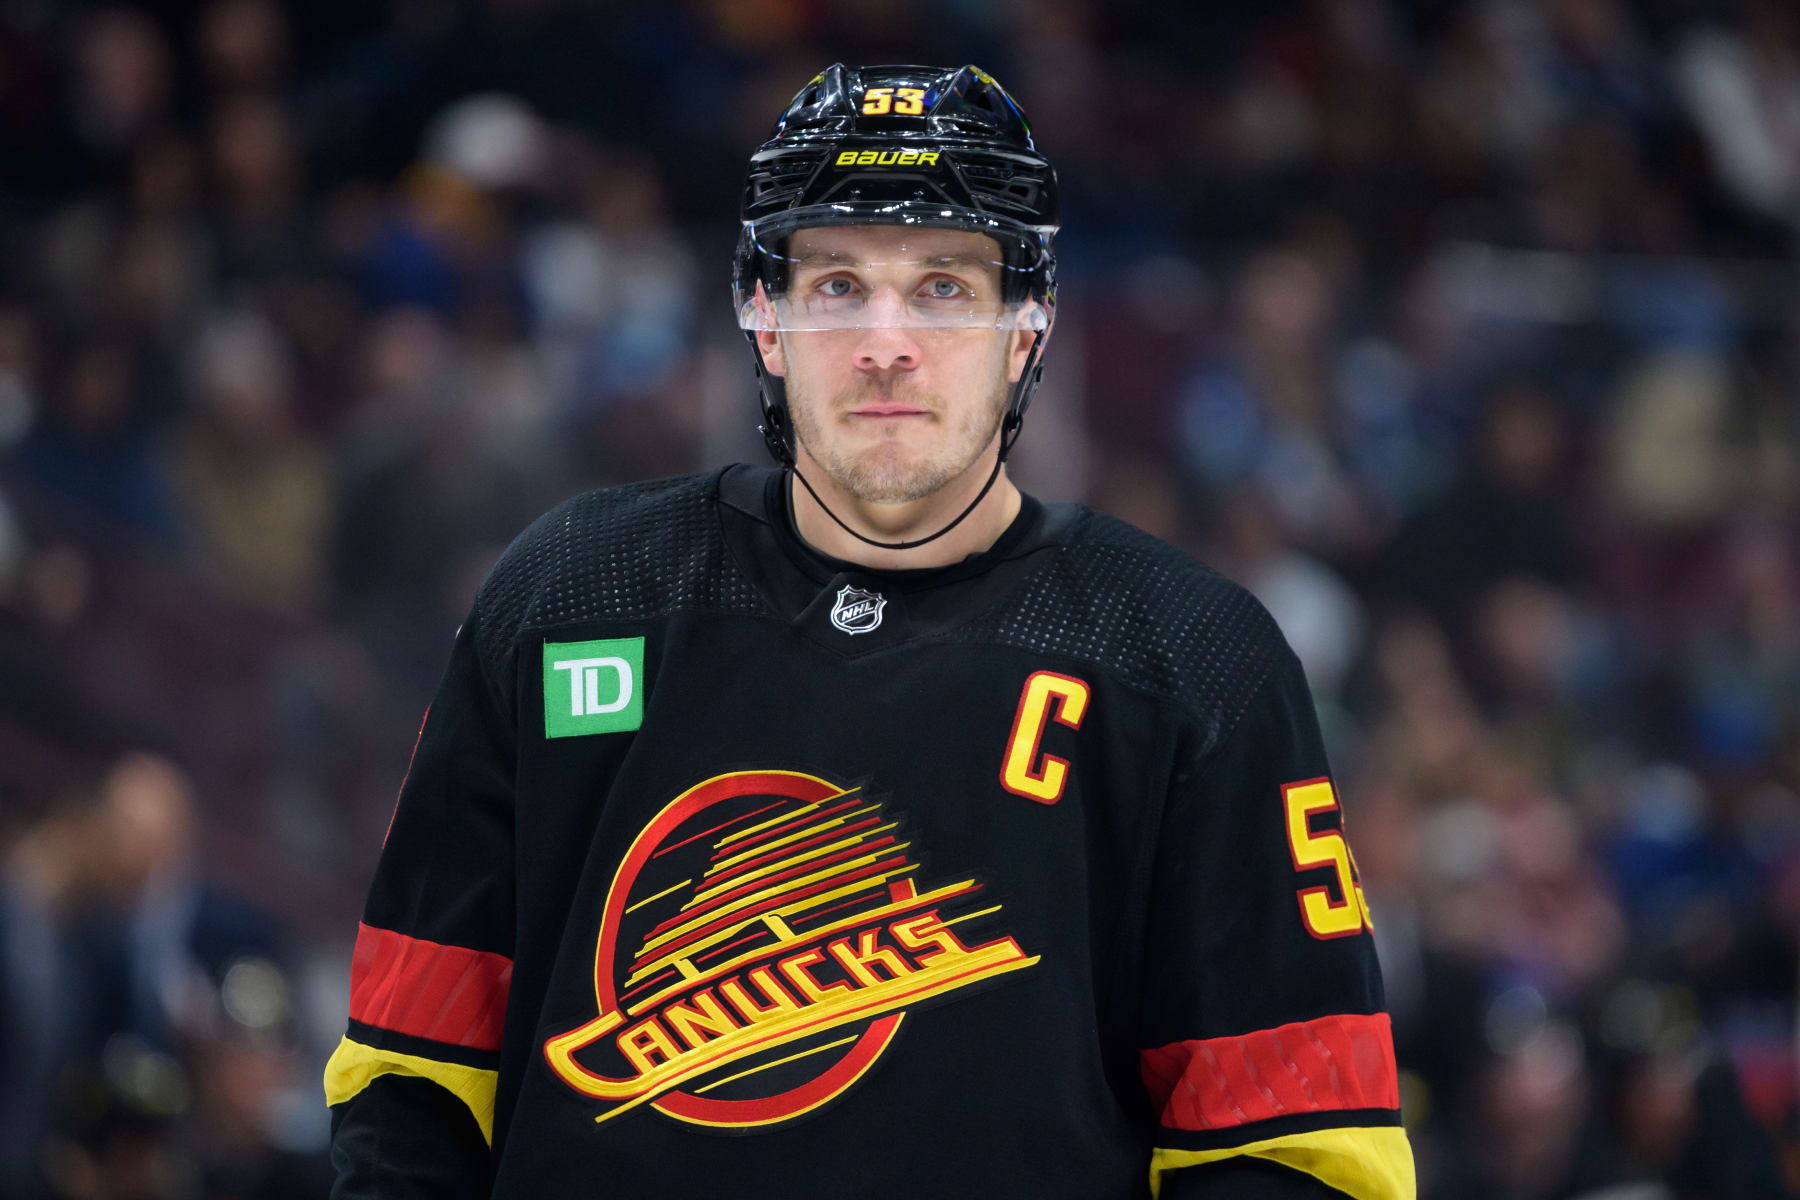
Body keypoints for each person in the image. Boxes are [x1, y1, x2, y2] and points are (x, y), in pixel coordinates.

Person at [323, 63, 1414, 1199]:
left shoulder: (1194, 661)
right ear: (767, 319)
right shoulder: (565, 598)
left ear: (1027, 326)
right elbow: (414, 1076)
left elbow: (1297, 1147)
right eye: (837, 285)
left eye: (942, 288)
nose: (885, 342)